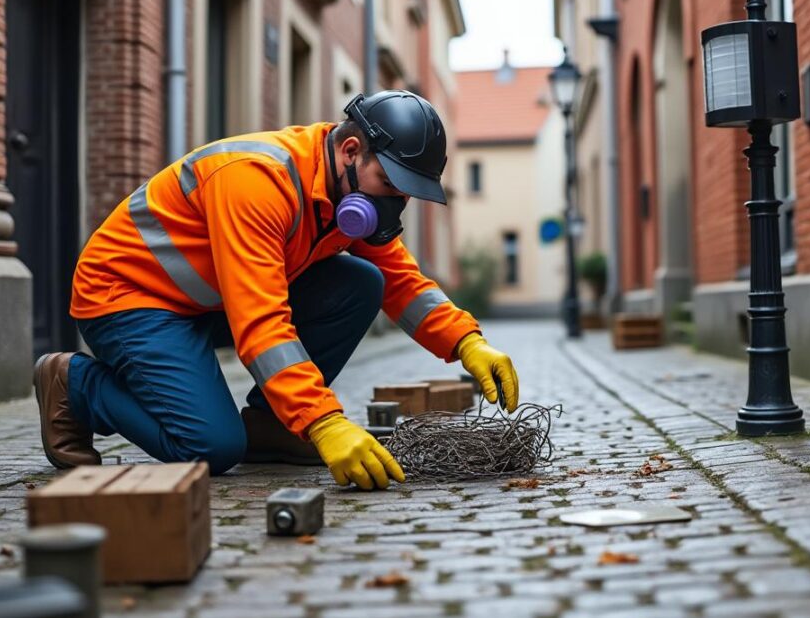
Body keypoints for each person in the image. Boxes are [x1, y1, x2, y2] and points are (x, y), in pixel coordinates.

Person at [31, 90, 518, 490]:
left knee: (362, 281)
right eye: (391, 185)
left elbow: (400, 279)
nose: (396, 204)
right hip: (129, 298)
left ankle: (273, 426)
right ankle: (76, 386)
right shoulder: (257, 182)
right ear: (351, 151)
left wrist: (466, 341)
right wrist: (322, 421)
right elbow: (261, 321)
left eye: (407, 193)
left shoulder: (348, 193)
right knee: (210, 448)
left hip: (206, 297)